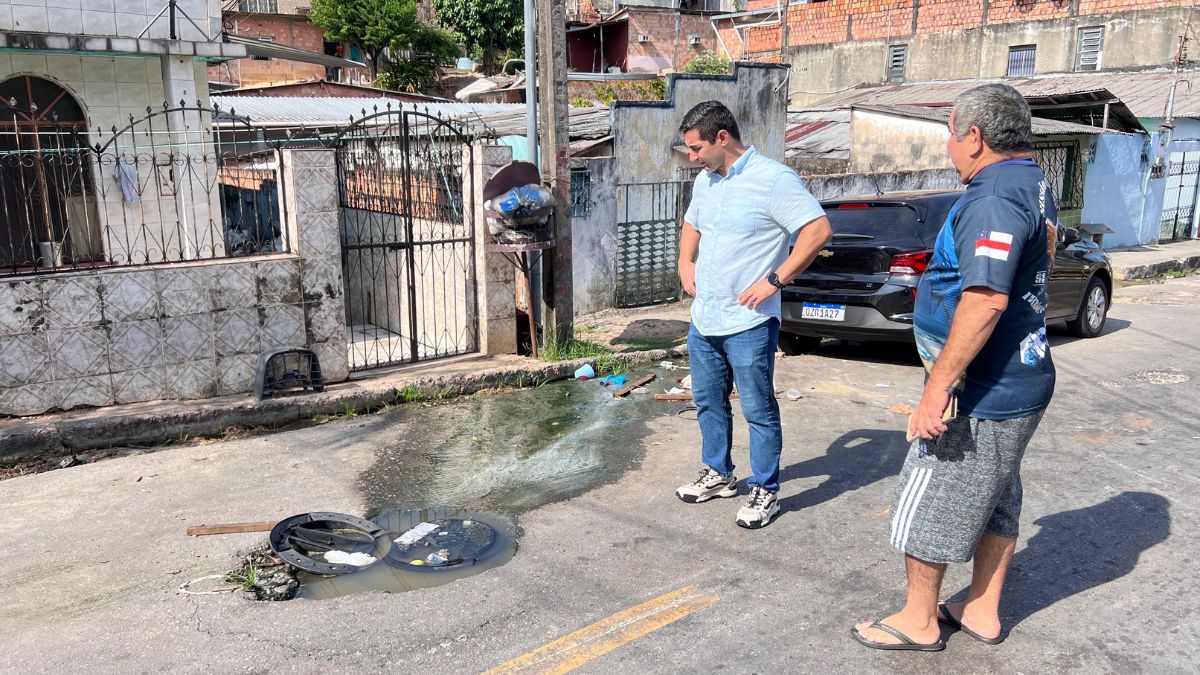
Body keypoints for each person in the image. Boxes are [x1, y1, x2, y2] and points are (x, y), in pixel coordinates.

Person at [851, 83, 1058, 651]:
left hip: (982, 388)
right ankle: (981, 608)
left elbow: (986, 299)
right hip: (1021, 375)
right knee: (997, 495)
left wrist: (937, 389)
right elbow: (1044, 253)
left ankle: (919, 619)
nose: (948, 145)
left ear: (975, 137)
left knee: (931, 496)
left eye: (950, 133)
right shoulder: (1031, 181)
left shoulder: (993, 199)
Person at [673, 100, 832, 529]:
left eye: (697, 148)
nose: (693, 158)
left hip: (750, 320)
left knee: (758, 409)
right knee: (708, 401)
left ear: (722, 138)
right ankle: (719, 473)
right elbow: (692, 223)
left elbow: (817, 230)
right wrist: (685, 261)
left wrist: (775, 280)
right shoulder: (705, 181)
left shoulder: (774, 180)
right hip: (706, 316)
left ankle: (766, 490)